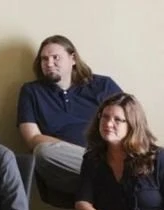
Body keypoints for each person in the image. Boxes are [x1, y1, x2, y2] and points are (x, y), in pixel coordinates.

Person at [17, 35, 122, 198]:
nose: (49, 63)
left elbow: (129, 122)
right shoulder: (31, 91)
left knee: (153, 156)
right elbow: (32, 138)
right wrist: (83, 154)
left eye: (55, 57)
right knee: (43, 151)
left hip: (108, 154)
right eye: (44, 59)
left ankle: (111, 186)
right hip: (65, 164)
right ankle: (116, 181)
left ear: (73, 59)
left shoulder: (102, 85)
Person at [75, 93, 164, 210]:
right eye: (105, 117)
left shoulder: (158, 158)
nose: (108, 124)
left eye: (118, 120)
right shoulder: (93, 159)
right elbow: (82, 204)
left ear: (132, 124)